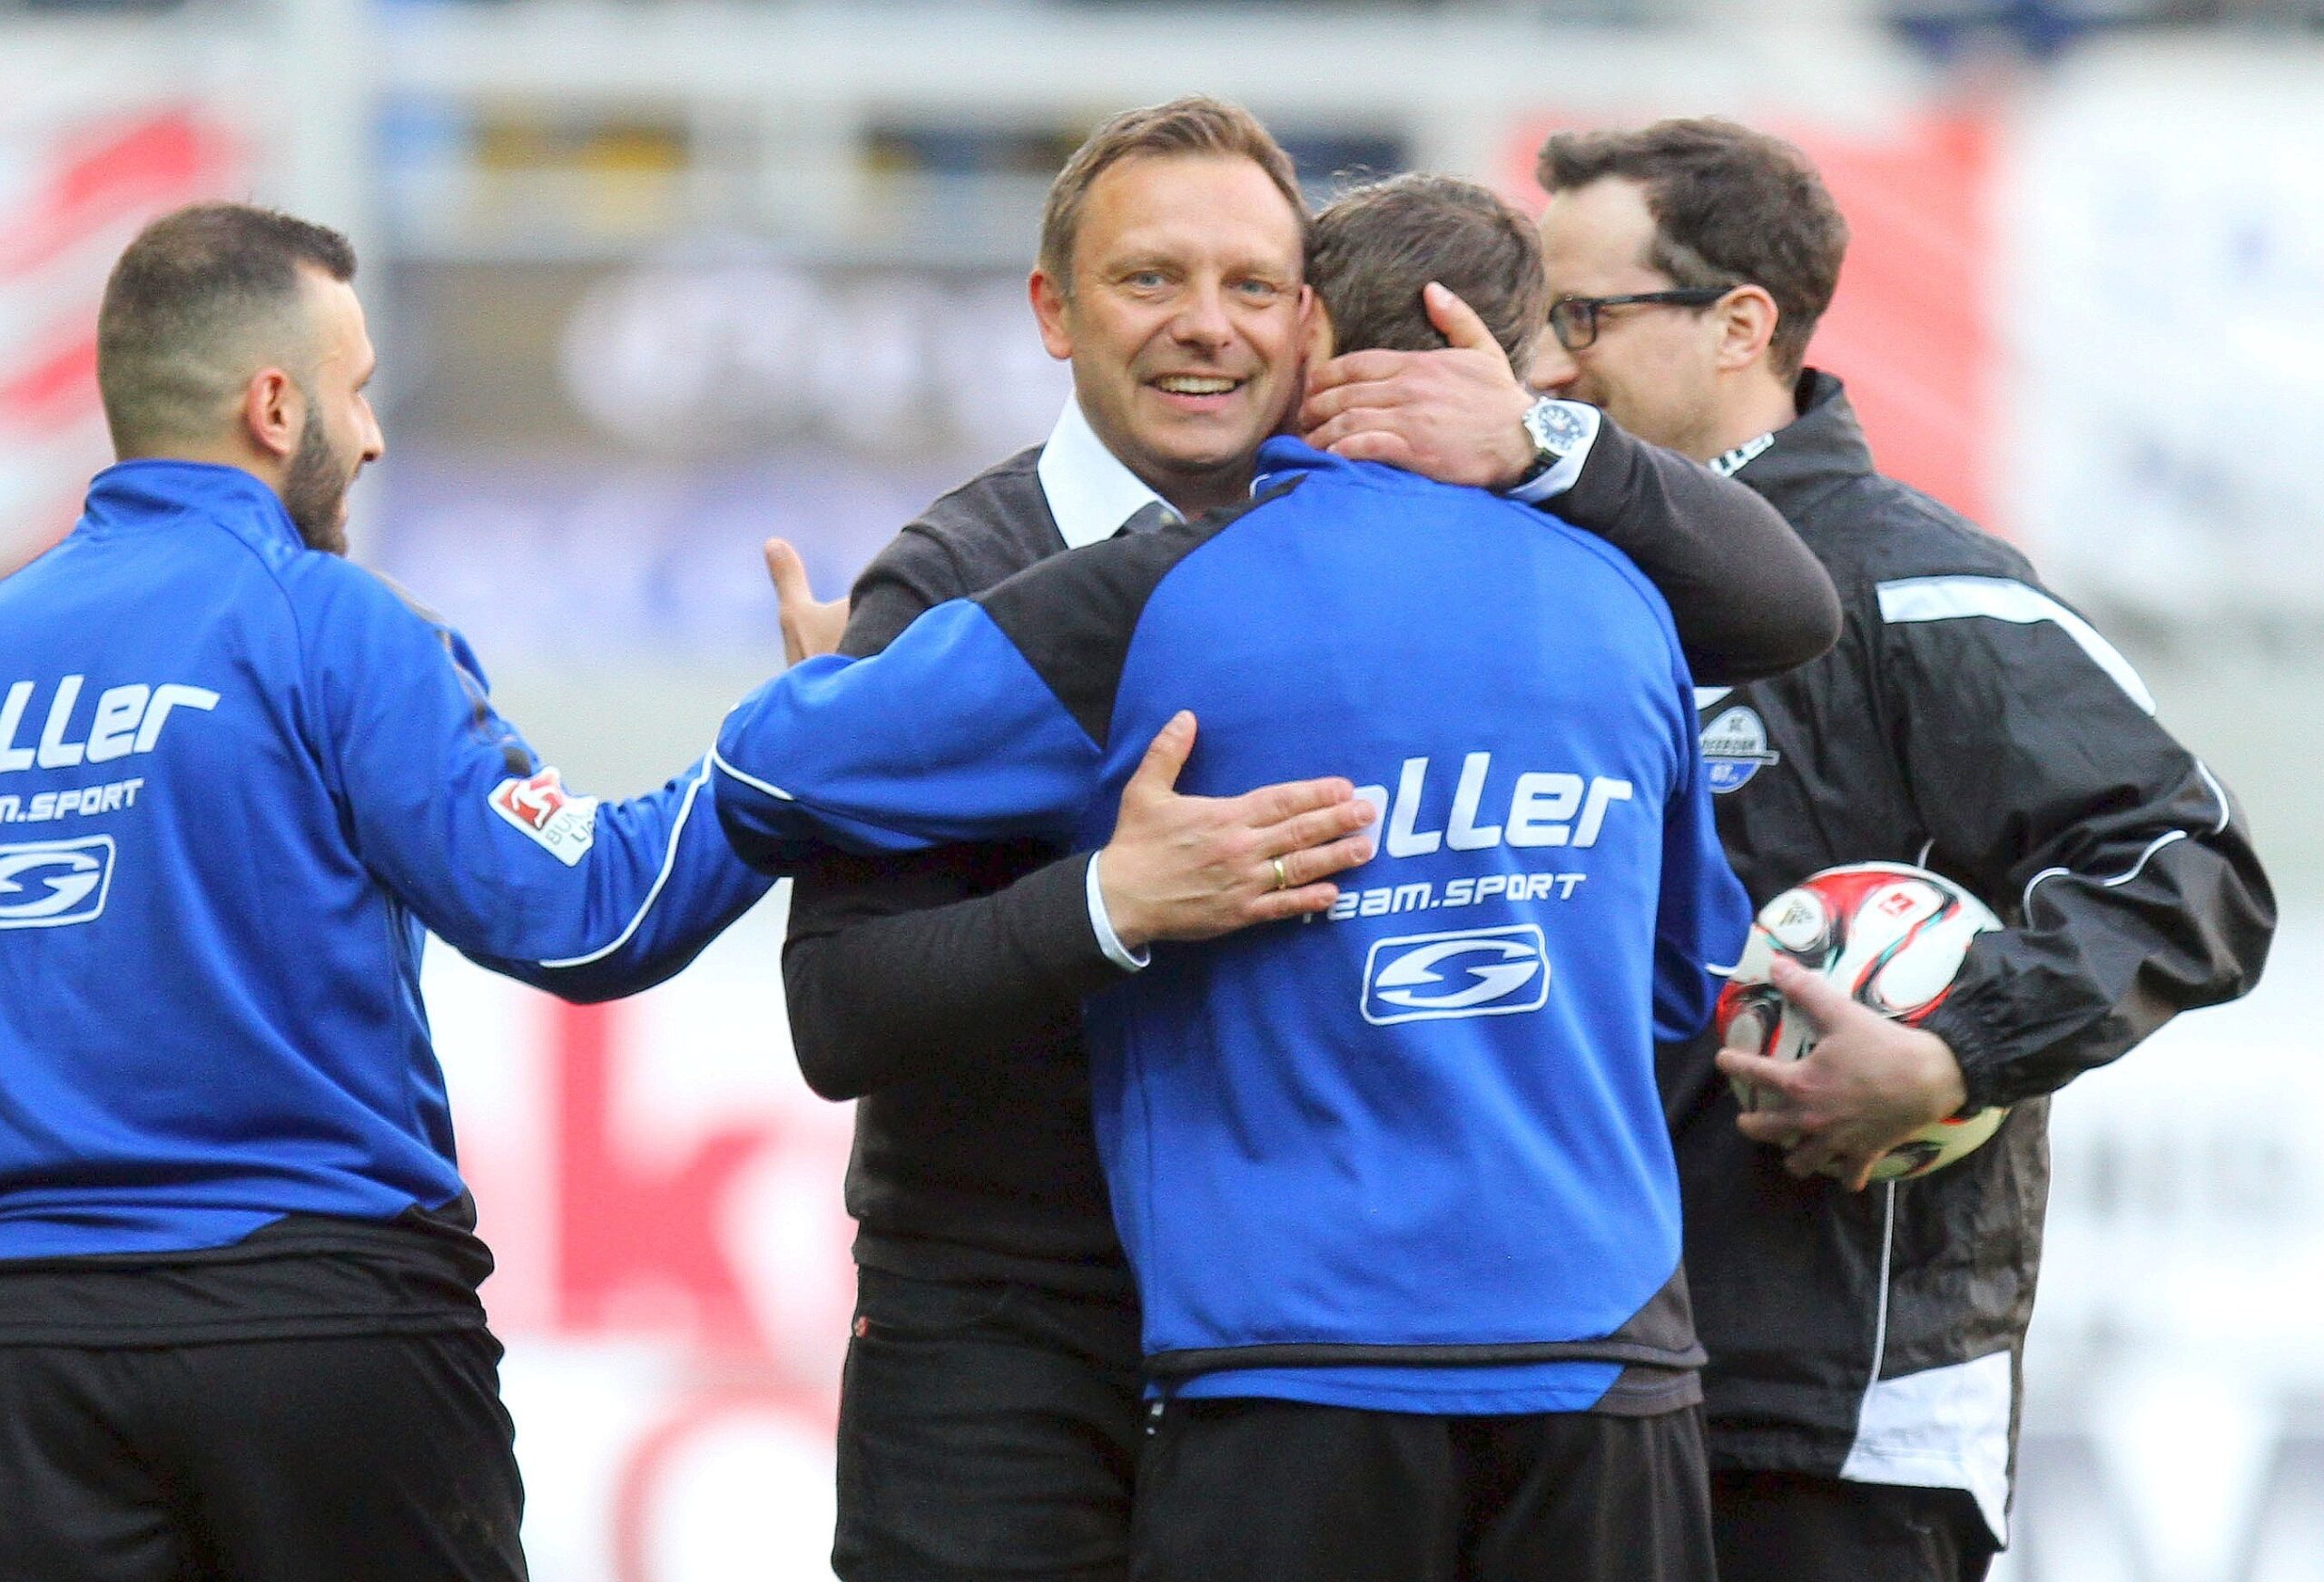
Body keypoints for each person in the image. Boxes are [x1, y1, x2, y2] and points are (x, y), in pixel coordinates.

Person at [771, 96, 1841, 1582]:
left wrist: (1540, 439)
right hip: (1020, 1339)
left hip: (1296, 1359)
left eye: (1254, 288)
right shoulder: (962, 582)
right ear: (1053, 312)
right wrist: (1109, 905)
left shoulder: (1494, 553)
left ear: (1318, 327)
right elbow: (839, 1013)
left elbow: (1790, 607)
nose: (1208, 328)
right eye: (1151, 279)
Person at [1310, 117, 2275, 1582]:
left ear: (1740, 324)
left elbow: (2193, 861)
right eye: (1532, 327)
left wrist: (1954, 1050)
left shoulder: (1918, 582)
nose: (1547, 368)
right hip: (1554, 1384)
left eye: (1583, 318)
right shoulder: (1531, 579)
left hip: (1837, 1415)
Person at [0, 204, 781, 1582]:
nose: (369, 437)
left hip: (27, 1359)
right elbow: (587, 909)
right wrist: (804, 748)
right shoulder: (327, 620)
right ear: (274, 403)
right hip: (315, 1330)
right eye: (357, 393)